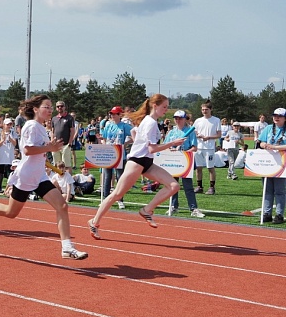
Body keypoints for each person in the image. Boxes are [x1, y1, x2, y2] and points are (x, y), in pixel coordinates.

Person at [0, 95, 87, 259]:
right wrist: (49, 147)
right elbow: (28, 150)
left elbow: (38, 151)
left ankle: (67, 247)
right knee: (10, 212)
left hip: (39, 176)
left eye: (51, 107)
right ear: (36, 109)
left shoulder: (40, 127)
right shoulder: (31, 126)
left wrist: (46, 151)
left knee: (62, 206)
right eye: (47, 106)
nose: (50, 110)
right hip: (26, 176)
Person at [88, 94, 186, 239]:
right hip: (137, 162)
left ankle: (147, 210)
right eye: (164, 107)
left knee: (173, 186)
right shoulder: (151, 123)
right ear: (155, 106)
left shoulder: (149, 121)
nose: (167, 110)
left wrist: (138, 141)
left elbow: (135, 132)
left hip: (147, 162)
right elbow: (152, 148)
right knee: (117, 194)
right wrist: (172, 143)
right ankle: (94, 222)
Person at [164, 110, 205, 218]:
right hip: (173, 161)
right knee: (173, 185)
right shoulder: (171, 132)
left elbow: (194, 147)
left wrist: (185, 153)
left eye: (180, 118)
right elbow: (166, 145)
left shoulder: (190, 131)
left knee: (188, 186)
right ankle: (173, 206)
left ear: (184, 119)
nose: (177, 120)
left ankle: (193, 208)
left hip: (185, 161)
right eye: (176, 118)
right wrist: (171, 149)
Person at [98, 106, 133, 209]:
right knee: (107, 176)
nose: (112, 116)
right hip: (109, 153)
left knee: (120, 178)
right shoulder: (108, 125)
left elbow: (134, 135)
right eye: (111, 114)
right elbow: (104, 137)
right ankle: (106, 199)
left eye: (114, 114)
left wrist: (125, 144)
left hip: (119, 154)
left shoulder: (125, 126)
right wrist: (104, 145)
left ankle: (120, 199)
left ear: (119, 115)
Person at [257, 107, 286, 224]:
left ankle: (279, 214)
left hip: (281, 163)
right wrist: (264, 144)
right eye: (274, 115)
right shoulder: (268, 128)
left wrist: (275, 147)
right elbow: (260, 142)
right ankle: (267, 213)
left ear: (285, 118)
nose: (276, 118)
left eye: (279, 116)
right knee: (267, 189)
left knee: (279, 190)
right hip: (268, 162)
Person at [193, 101, 222, 195]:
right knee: (198, 168)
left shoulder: (216, 120)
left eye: (206, 109)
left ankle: (212, 187)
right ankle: (199, 186)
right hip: (199, 147)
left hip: (209, 148)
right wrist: (198, 135)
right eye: (203, 109)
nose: (204, 111)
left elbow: (219, 135)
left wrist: (208, 137)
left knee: (210, 168)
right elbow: (194, 131)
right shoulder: (198, 121)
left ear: (211, 109)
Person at [51, 100, 77, 171]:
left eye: (61, 106)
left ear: (64, 107)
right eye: (58, 106)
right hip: (56, 145)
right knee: (57, 165)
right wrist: (52, 141)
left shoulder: (69, 118)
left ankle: (68, 181)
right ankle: (58, 181)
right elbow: (52, 131)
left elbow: (72, 131)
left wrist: (70, 143)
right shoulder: (54, 118)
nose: (60, 107)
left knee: (66, 165)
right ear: (56, 108)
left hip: (65, 144)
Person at [0, 118, 18, 193]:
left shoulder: (13, 133)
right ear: (4, 125)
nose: (9, 126)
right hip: (2, 155)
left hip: (10, 155)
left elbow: (15, 144)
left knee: (10, 171)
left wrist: (10, 138)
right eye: (7, 124)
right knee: (1, 171)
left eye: (10, 124)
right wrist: (3, 140)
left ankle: (11, 186)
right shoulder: (0, 133)